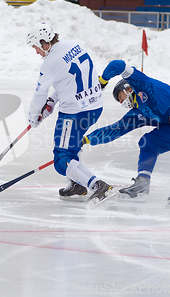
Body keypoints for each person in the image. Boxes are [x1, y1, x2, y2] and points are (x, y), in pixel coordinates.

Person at [81, 60, 170, 207]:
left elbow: (117, 65)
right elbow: (114, 130)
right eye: (118, 101)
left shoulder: (140, 82)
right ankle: (142, 183)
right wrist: (85, 140)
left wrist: (102, 81)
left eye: (120, 96)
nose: (121, 101)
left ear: (127, 88)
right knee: (148, 143)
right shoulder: (137, 113)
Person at [26, 22, 112, 204]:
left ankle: (97, 185)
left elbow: (39, 92)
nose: (36, 52)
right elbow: (68, 80)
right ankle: (76, 184)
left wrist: (34, 117)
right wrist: (51, 102)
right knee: (72, 148)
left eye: (36, 47)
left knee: (62, 158)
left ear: (45, 42)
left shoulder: (49, 63)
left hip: (74, 114)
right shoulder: (74, 46)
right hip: (94, 107)